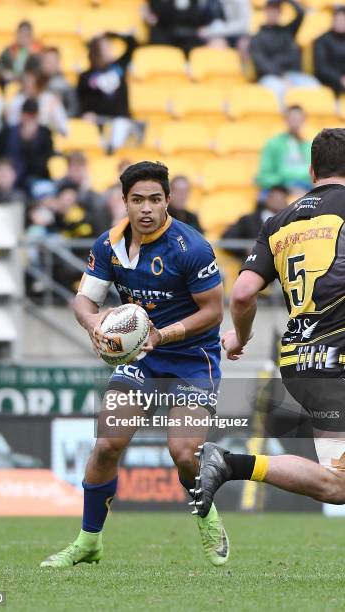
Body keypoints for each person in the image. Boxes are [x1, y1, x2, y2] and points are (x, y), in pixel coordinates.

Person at [40, 161, 230, 568]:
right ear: (124, 201)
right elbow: (84, 300)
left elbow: (214, 311)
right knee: (107, 443)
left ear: (168, 201)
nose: (147, 208)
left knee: (183, 452)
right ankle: (89, 541)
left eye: (155, 200)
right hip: (140, 358)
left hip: (192, 359)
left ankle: (206, 514)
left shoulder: (190, 247)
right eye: (137, 200)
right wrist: (94, 325)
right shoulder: (108, 245)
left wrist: (165, 334)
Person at [191, 128, 345, 517]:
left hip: (302, 364)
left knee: (338, 482)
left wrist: (240, 338)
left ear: (312, 171)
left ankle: (231, 463)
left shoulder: (278, 222)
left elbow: (242, 293)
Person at [250, 0, 318, 106]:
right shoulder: (257, 38)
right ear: (265, 12)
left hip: (294, 75)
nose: (273, 14)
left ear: (280, 12)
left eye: (276, 11)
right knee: (279, 90)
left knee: (313, 86)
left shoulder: (288, 31)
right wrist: (281, 76)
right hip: (271, 77)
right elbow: (261, 63)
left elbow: (301, 13)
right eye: (270, 11)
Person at [77, 32, 137, 152]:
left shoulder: (119, 67)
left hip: (120, 120)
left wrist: (113, 34)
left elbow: (132, 43)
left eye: (110, 46)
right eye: (106, 47)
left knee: (122, 126)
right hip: (99, 121)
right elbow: (82, 101)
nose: (111, 49)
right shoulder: (86, 76)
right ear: (96, 52)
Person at [0, 98, 53, 190]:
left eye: (33, 116)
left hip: (34, 177)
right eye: (27, 115)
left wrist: (28, 143)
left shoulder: (45, 134)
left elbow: (43, 163)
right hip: (7, 175)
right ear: (21, 115)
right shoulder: (7, 132)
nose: (29, 119)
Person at [221, 185, 288, 261]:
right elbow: (227, 239)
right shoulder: (248, 220)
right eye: (275, 198)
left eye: (281, 198)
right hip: (253, 265)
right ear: (267, 199)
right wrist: (245, 249)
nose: (278, 201)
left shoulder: (290, 221)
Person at [257, 105, 312, 193]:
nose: (296, 123)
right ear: (286, 120)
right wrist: (284, 184)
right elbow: (264, 177)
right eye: (293, 119)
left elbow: (312, 174)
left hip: (306, 189)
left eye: (299, 120)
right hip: (280, 189)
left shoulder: (308, 145)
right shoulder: (273, 144)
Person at [143, 0, 223, 55]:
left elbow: (198, 19)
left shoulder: (196, 3)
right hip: (165, 34)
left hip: (191, 35)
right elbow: (158, 17)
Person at [6, 69, 68, 136]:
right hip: (21, 138)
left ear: (39, 84)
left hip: (47, 137)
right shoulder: (18, 101)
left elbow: (63, 127)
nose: (29, 87)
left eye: (32, 84)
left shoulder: (50, 100)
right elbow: (11, 124)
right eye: (26, 84)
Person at [0, 21, 41, 90]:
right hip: (10, 83)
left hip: (29, 85)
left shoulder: (37, 51)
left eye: (26, 35)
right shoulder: (10, 50)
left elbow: (38, 72)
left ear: (31, 36)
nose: (23, 38)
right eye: (21, 34)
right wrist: (4, 72)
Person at [314, 6, 345, 96]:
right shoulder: (322, 40)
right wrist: (339, 78)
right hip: (330, 80)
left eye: (343, 20)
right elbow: (321, 67)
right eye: (338, 20)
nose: (341, 23)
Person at [40, 47, 79, 117]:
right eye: (46, 61)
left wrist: (59, 117)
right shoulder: (35, 84)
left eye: (51, 61)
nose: (48, 64)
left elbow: (73, 110)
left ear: (58, 63)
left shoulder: (66, 85)